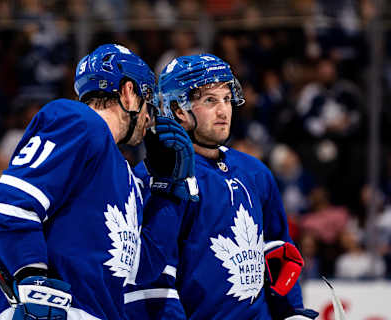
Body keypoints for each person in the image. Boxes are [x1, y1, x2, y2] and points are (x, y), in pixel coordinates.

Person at [0, 44, 197, 320]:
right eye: (149, 103)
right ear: (129, 93)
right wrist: (33, 279)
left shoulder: (125, 176)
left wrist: (169, 192)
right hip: (52, 313)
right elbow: (11, 207)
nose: (149, 118)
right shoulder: (79, 122)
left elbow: (139, 269)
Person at [124, 54, 318, 319]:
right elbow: (154, 280)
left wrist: (292, 312)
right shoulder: (156, 179)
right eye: (210, 100)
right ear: (179, 109)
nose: (223, 110)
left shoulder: (254, 171)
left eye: (227, 99)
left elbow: (278, 250)